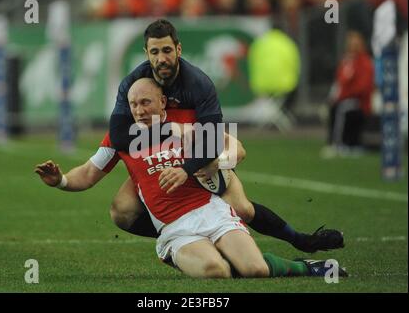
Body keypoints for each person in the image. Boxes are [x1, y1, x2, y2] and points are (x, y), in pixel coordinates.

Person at [35, 78, 348, 278]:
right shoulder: (121, 137)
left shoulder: (185, 123)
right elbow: (88, 174)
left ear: (163, 102)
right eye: (133, 104)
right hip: (175, 227)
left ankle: (306, 266)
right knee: (217, 271)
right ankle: (178, 253)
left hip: (213, 210)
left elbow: (236, 148)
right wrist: (61, 180)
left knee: (255, 269)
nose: (139, 110)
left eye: (146, 102)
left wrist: (215, 164)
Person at [108, 18, 344, 253]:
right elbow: (118, 138)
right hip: (157, 161)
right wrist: (169, 131)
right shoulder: (134, 84)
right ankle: (190, 233)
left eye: (167, 50)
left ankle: (302, 241)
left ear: (178, 49)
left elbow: (211, 141)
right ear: (146, 53)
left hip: (196, 154)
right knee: (121, 211)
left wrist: (190, 166)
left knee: (243, 207)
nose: (161, 59)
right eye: (155, 52)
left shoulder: (199, 83)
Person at [322, 30, 375, 158]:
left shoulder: (365, 62)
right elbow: (340, 81)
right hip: (346, 98)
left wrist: (344, 96)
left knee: (342, 108)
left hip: (360, 101)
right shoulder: (346, 61)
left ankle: (336, 144)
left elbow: (363, 87)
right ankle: (344, 142)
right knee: (334, 107)